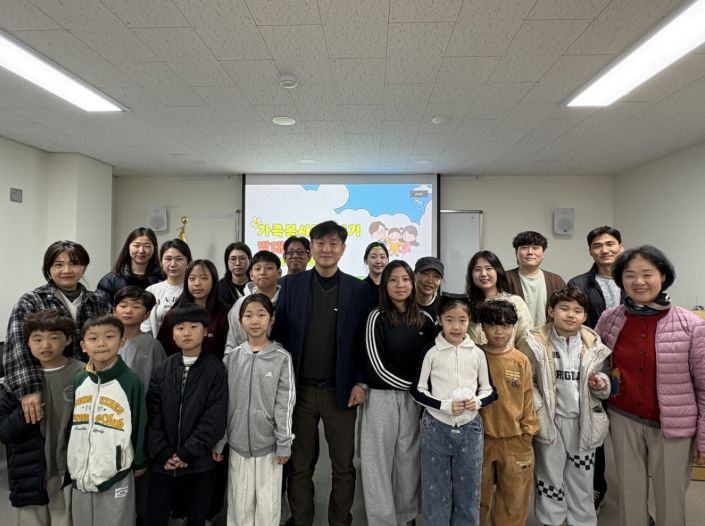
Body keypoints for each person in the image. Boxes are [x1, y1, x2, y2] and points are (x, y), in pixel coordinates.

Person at [595, 246, 705, 526]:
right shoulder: (610, 318)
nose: (639, 282)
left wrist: (703, 436)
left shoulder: (691, 326)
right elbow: (598, 365)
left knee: (670, 498)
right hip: (623, 418)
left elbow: (704, 387)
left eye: (647, 274)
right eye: (630, 275)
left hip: (673, 426)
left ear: (663, 276)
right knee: (629, 495)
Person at [271, 220, 369, 526]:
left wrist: (361, 381)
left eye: (333, 244)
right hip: (299, 391)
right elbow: (280, 335)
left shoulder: (357, 289)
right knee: (299, 466)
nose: (326, 249)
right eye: (320, 243)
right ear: (311, 248)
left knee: (344, 466)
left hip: (340, 392)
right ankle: (302, 520)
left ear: (343, 248)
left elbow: (364, 340)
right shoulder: (291, 285)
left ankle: (340, 521)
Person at [519, 287, 611, 526]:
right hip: (549, 421)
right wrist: (539, 409)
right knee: (549, 476)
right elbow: (527, 382)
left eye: (577, 311)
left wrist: (601, 384)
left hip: (583, 422)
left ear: (584, 316)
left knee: (582, 477)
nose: (571, 315)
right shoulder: (534, 342)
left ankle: (582, 521)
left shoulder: (593, 343)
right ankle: (552, 520)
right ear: (551, 311)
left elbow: (606, 379)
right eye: (564, 309)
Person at [410, 296, 497, 525]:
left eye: (462, 320)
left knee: (469, 491)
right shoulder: (432, 351)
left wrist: (477, 402)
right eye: (449, 320)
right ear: (440, 320)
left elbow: (490, 390)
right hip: (436, 427)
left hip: (470, 428)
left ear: (470, 321)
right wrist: (444, 405)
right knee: (435, 490)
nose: (456, 326)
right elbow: (417, 390)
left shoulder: (477, 353)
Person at [360, 260, 435, 525]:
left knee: (409, 460)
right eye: (393, 280)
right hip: (381, 398)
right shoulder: (376, 317)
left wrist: (420, 394)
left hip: (414, 401)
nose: (399, 285)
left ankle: (406, 517)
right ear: (384, 285)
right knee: (377, 464)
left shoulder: (425, 319)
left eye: (404, 279)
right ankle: (382, 520)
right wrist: (415, 387)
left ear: (412, 283)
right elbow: (376, 368)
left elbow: (432, 363)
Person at [4, 240, 110, 425]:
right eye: (58, 265)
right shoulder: (31, 301)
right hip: (45, 386)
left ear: (84, 267)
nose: (66, 270)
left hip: (89, 385)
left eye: (74, 263)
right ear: (48, 269)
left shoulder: (98, 302)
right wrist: (29, 390)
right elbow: (17, 347)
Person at [214, 294, 295, 525]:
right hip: (237, 446)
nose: (255, 320)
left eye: (261, 314)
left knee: (267, 509)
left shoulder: (281, 358)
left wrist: (284, 443)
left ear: (272, 319)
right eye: (248, 315)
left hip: (269, 448)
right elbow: (224, 403)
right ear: (240, 321)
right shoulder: (232, 358)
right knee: (239, 507)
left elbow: (285, 404)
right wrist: (221, 440)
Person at [0, 310, 84, 526]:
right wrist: (23, 414)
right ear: (26, 343)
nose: (45, 345)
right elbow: (4, 432)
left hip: (68, 470)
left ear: (68, 339)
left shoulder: (84, 374)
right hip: (30, 472)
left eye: (54, 337)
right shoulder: (17, 382)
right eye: (37, 339)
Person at [146, 304, 228, 526]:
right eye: (180, 328)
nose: (187, 333)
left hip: (199, 463)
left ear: (205, 331)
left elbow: (215, 417)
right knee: (155, 516)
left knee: (196, 518)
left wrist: (187, 453)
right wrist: (163, 452)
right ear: (172, 334)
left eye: (194, 326)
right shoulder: (163, 368)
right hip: (163, 462)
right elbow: (153, 415)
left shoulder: (215, 369)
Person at [68, 314, 148, 526]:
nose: (101, 343)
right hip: (81, 473)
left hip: (115, 473)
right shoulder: (79, 380)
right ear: (83, 346)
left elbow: (139, 421)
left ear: (122, 341)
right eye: (93, 338)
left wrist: (139, 461)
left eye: (109, 336)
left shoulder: (131, 381)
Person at [567, 225, 624, 511]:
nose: (605, 249)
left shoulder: (633, 279)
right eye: (598, 245)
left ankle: (634, 497)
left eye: (610, 243)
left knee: (627, 434)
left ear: (621, 247)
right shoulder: (579, 283)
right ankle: (596, 486)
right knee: (595, 426)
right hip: (594, 364)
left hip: (628, 366)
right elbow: (574, 322)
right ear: (590, 251)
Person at [477, 301, 538, 526]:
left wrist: (527, 432)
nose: (499, 331)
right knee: (477, 497)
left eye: (505, 325)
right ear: (483, 327)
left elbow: (528, 397)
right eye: (492, 325)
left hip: (515, 438)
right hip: (480, 438)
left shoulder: (520, 360)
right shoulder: (475, 355)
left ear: (513, 327)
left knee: (514, 499)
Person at [157, 259, 229, 359]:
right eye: (192, 278)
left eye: (204, 278)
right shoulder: (174, 314)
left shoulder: (224, 314)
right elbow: (162, 350)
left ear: (214, 281)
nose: (197, 283)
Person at [466, 250, 533, 348]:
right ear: (471, 275)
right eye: (477, 269)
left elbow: (525, 341)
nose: (483, 273)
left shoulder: (515, 302)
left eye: (488, 268)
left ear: (498, 271)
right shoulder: (465, 305)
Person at [225, 250, 282, 352]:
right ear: (251, 275)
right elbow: (231, 341)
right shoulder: (241, 304)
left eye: (269, 268)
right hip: (243, 359)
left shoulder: (287, 301)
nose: (263, 272)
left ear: (279, 273)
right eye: (257, 268)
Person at [506, 231, 566, 326]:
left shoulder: (556, 281)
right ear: (516, 253)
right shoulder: (505, 278)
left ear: (543, 254)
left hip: (548, 334)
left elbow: (565, 310)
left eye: (536, 248)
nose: (530, 252)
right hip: (515, 334)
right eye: (524, 248)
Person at [114, 286, 166, 389]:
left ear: (146, 314)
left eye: (136, 307)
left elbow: (161, 379)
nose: (128, 311)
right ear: (114, 311)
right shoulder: (105, 342)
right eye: (123, 306)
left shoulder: (153, 345)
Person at [96, 227, 163, 306]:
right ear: (128, 247)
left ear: (154, 249)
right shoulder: (110, 280)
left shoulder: (163, 278)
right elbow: (101, 309)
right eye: (136, 245)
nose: (141, 250)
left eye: (147, 246)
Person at [142, 239, 192, 337]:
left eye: (179, 259)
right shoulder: (151, 291)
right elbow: (145, 326)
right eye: (168, 259)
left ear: (188, 263)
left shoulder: (193, 290)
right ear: (161, 262)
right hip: (156, 344)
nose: (173, 264)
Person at [218, 242, 252, 309]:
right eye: (233, 259)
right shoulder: (219, 287)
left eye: (242, 258)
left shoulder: (256, 285)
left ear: (250, 260)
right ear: (227, 262)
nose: (237, 263)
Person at [362, 241, 389, 311]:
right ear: (365, 260)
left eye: (382, 257)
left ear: (387, 260)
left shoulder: (391, 287)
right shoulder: (360, 288)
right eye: (373, 257)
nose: (378, 261)